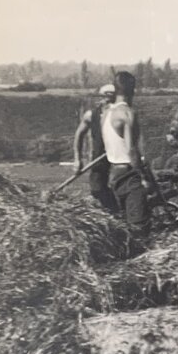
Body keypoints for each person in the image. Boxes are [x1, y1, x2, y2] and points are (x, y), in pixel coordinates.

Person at [102, 70, 160, 234]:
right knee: (139, 226)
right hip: (129, 176)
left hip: (113, 173)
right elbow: (131, 150)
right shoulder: (127, 114)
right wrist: (143, 177)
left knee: (124, 224)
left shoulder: (106, 114)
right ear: (132, 90)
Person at [73, 83, 119, 212]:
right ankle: (115, 213)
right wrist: (78, 159)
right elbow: (79, 135)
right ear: (100, 98)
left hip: (118, 158)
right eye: (106, 98)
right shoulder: (91, 115)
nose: (109, 102)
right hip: (99, 158)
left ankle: (121, 214)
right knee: (97, 190)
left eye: (112, 99)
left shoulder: (121, 115)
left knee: (121, 187)